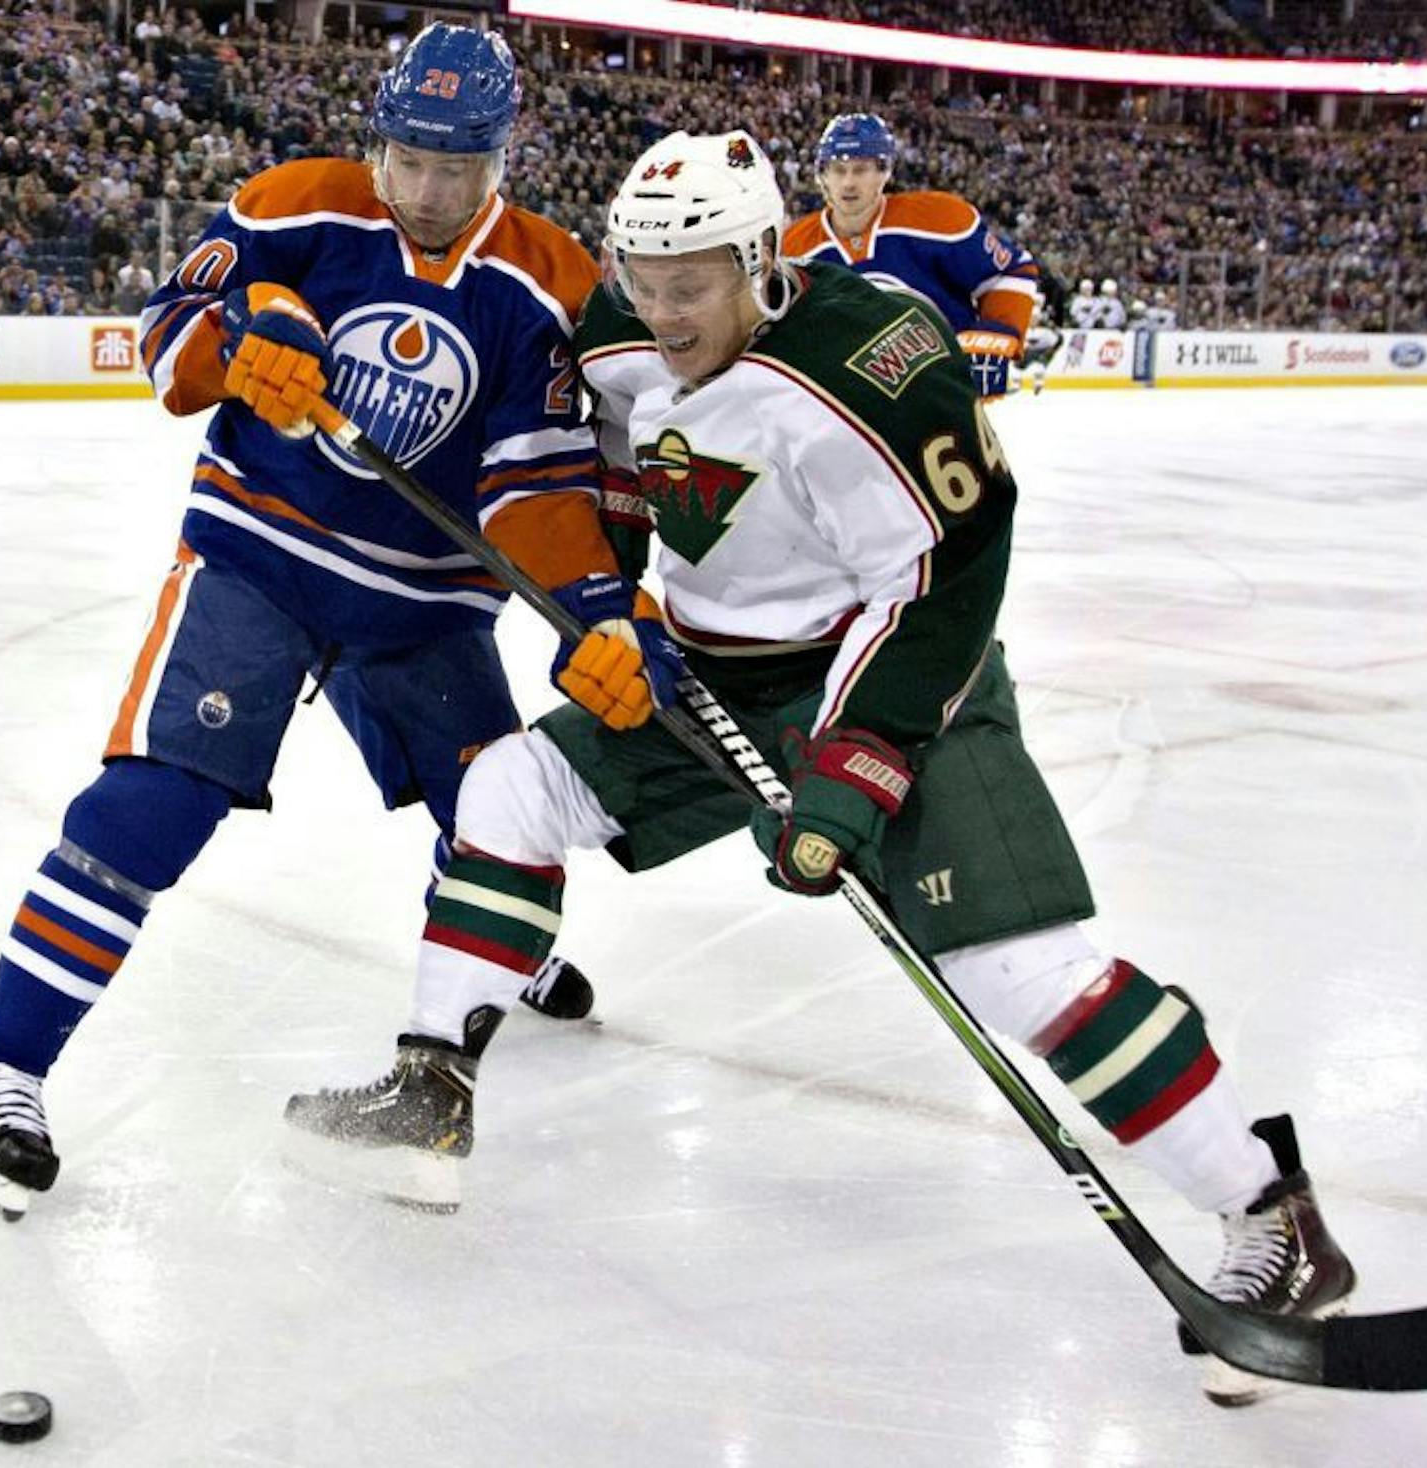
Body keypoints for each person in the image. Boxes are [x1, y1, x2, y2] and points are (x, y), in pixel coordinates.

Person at [286, 131, 1357, 1408]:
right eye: (642, 274)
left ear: (758, 260)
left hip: (898, 675)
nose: (661, 308)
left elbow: (943, 578)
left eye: (692, 281)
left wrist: (854, 770)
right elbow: (617, 473)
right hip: (709, 676)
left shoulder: (878, 362)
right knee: (511, 789)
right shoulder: (621, 328)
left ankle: (1269, 1213)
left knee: (1017, 969)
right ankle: (432, 1088)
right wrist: (614, 610)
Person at [0, 23, 643, 1220]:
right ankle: (3, 1058)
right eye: (410, 160)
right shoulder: (293, 206)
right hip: (258, 555)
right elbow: (167, 347)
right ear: (381, 139)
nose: (429, 192)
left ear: (501, 158)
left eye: (458, 168)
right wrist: (234, 352)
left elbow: (537, 485)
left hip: (424, 602)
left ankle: (494, 954)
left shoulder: (550, 281)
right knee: (156, 800)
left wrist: (597, 615)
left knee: (500, 811)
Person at [781, 113, 1039, 399]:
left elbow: (1012, 270)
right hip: (850, 408)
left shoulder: (939, 220)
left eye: (861, 169)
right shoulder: (794, 248)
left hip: (942, 395)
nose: (848, 183)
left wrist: (993, 338)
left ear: (884, 171)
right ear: (822, 175)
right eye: (838, 170)